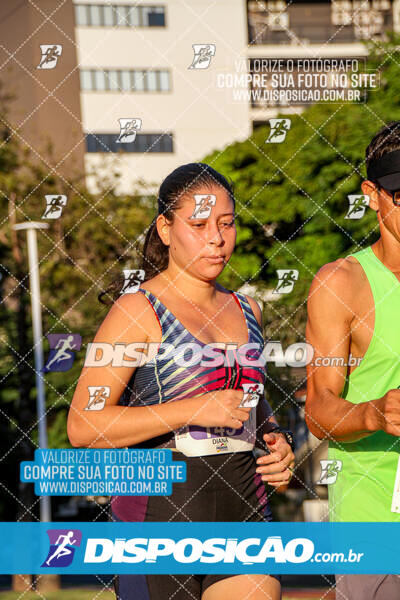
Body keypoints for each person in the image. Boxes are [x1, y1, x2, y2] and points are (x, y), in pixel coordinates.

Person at [67, 162, 295, 600]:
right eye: (198, 224)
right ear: (166, 229)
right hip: (158, 519)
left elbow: (252, 407)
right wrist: (192, 408)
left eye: (226, 224)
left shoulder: (250, 310)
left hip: (244, 510)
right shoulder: (137, 310)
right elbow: (84, 426)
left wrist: (276, 441)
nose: (216, 238)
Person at [305, 122, 400, 599]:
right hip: (375, 519)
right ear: (373, 194)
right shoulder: (341, 283)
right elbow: (319, 410)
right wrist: (374, 412)